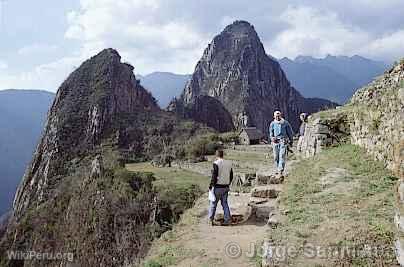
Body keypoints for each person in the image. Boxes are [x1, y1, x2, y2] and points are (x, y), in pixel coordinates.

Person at [208, 150, 233, 226]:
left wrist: (211, 185)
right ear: (223, 155)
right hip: (225, 187)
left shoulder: (216, 163)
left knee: (213, 203)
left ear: (216, 155)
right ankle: (227, 220)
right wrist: (228, 183)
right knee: (225, 204)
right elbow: (231, 175)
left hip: (218, 187)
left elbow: (214, 176)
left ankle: (210, 220)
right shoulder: (229, 163)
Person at [269, 111, 294, 176]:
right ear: (274, 116)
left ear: (281, 116)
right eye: (276, 116)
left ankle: (281, 170)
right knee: (276, 157)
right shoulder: (272, 124)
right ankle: (277, 168)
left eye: (279, 116)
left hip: (283, 141)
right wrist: (272, 138)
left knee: (282, 155)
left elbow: (290, 133)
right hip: (275, 142)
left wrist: (291, 141)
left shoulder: (285, 123)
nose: (277, 117)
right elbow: (271, 133)